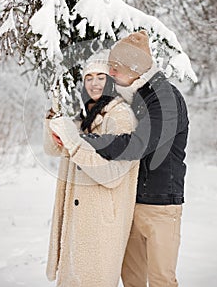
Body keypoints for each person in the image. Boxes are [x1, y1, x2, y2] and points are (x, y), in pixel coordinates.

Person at [56, 31, 189, 287]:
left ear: (135, 69)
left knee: (161, 279)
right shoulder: (135, 99)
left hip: (160, 206)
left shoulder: (165, 99)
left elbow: (137, 144)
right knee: (132, 279)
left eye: (116, 68)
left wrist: (83, 141)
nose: (111, 74)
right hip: (132, 203)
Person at [44, 51, 139, 287]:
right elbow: (53, 149)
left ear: (111, 82)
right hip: (78, 220)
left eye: (101, 77)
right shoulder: (87, 116)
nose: (94, 83)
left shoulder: (121, 117)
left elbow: (112, 175)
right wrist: (52, 120)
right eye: (89, 78)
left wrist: (73, 142)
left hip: (102, 221)